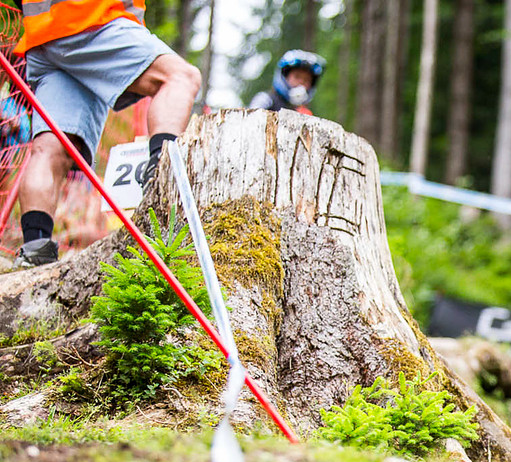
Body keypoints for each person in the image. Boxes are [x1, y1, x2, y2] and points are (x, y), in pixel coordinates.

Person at [13, 0, 202, 268]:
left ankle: (35, 251)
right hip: (91, 17)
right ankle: (162, 180)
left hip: (43, 33)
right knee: (180, 78)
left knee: (50, 149)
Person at [249, 50, 326, 116]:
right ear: (285, 77)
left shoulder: (305, 113)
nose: (301, 82)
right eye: (297, 77)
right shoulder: (266, 100)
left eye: (306, 80)